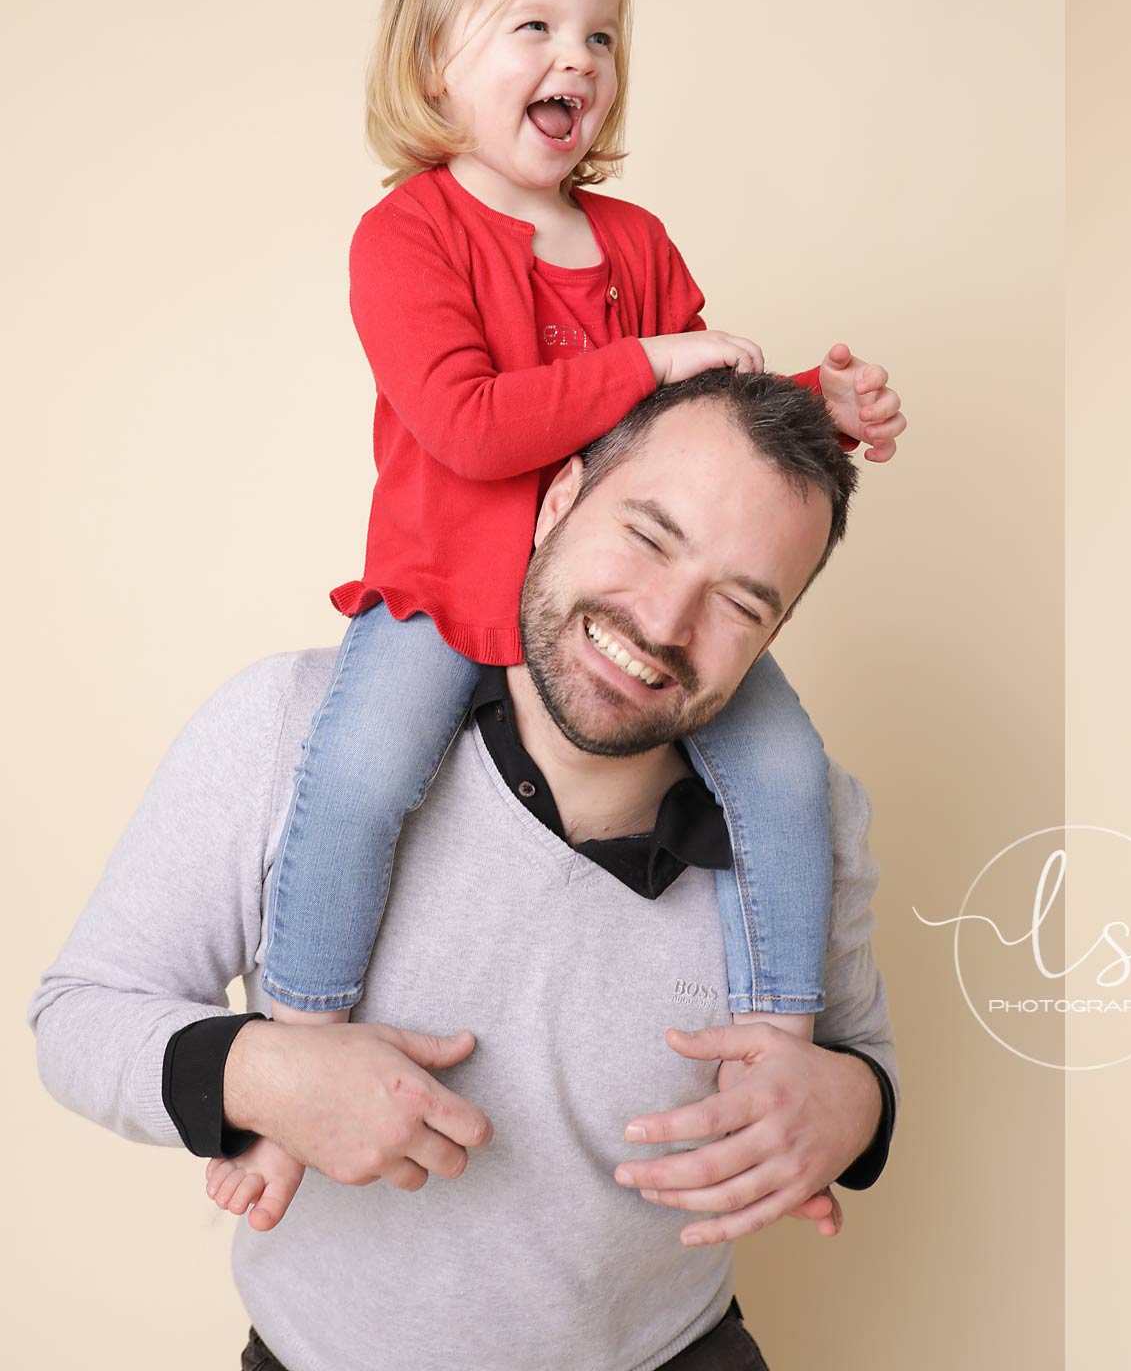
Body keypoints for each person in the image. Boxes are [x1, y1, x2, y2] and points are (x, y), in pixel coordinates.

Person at [227, 0, 909, 1229]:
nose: (576, 60)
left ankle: (779, 1034)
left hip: (613, 619)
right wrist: (648, 358)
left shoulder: (636, 244)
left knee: (784, 773)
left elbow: (703, 423)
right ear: (435, 64)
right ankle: (297, 1044)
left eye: (600, 37)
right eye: (533, 26)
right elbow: (469, 426)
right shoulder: (408, 236)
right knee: (358, 777)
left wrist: (814, 411)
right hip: (450, 589)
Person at [32, 371, 899, 1371]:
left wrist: (849, 1106)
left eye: (741, 602)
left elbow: (855, 1051)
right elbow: (81, 1014)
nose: (663, 621)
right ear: (562, 496)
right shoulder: (290, 731)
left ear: (775, 636)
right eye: (650, 536)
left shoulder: (810, 820)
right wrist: (265, 1074)